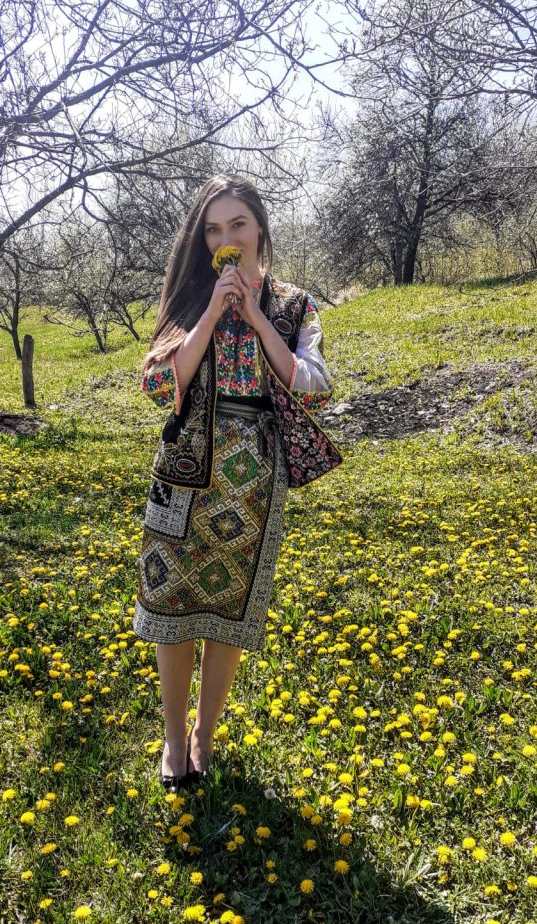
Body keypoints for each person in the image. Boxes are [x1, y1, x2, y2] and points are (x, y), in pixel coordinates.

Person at [134, 173, 335, 792]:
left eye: (238, 225)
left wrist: (255, 316)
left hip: (253, 482)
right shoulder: (188, 299)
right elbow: (158, 387)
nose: (227, 239)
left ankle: (204, 735)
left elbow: (315, 387)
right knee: (172, 608)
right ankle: (174, 738)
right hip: (183, 474)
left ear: (259, 229)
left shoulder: (294, 305)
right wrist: (209, 315)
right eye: (214, 229)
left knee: (229, 613)